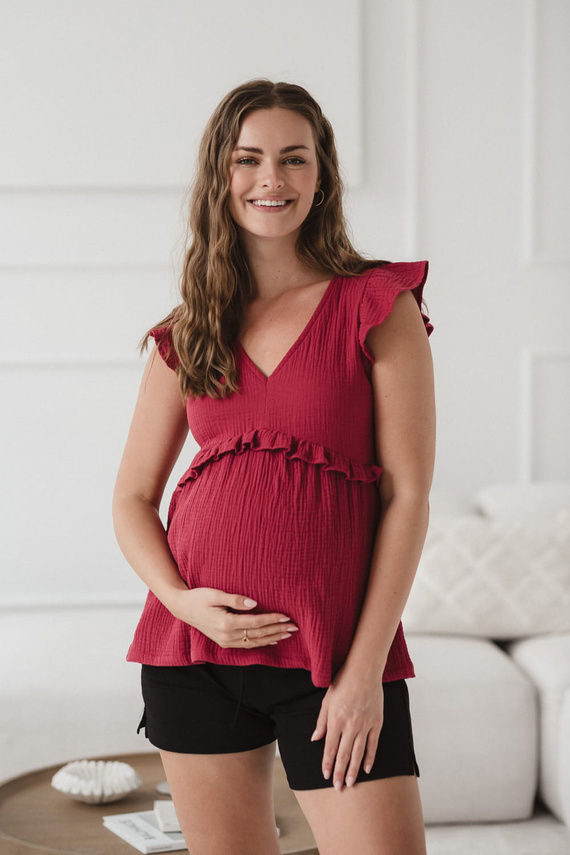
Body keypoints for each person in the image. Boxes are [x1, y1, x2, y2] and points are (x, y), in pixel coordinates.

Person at [113, 78, 435, 855]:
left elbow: (409, 494)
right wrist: (181, 602)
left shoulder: (376, 304)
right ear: (219, 175)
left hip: (333, 654)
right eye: (249, 159)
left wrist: (363, 674)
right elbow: (131, 496)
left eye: (294, 159)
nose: (271, 181)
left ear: (321, 174)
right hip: (194, 656)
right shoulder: (188, 330)